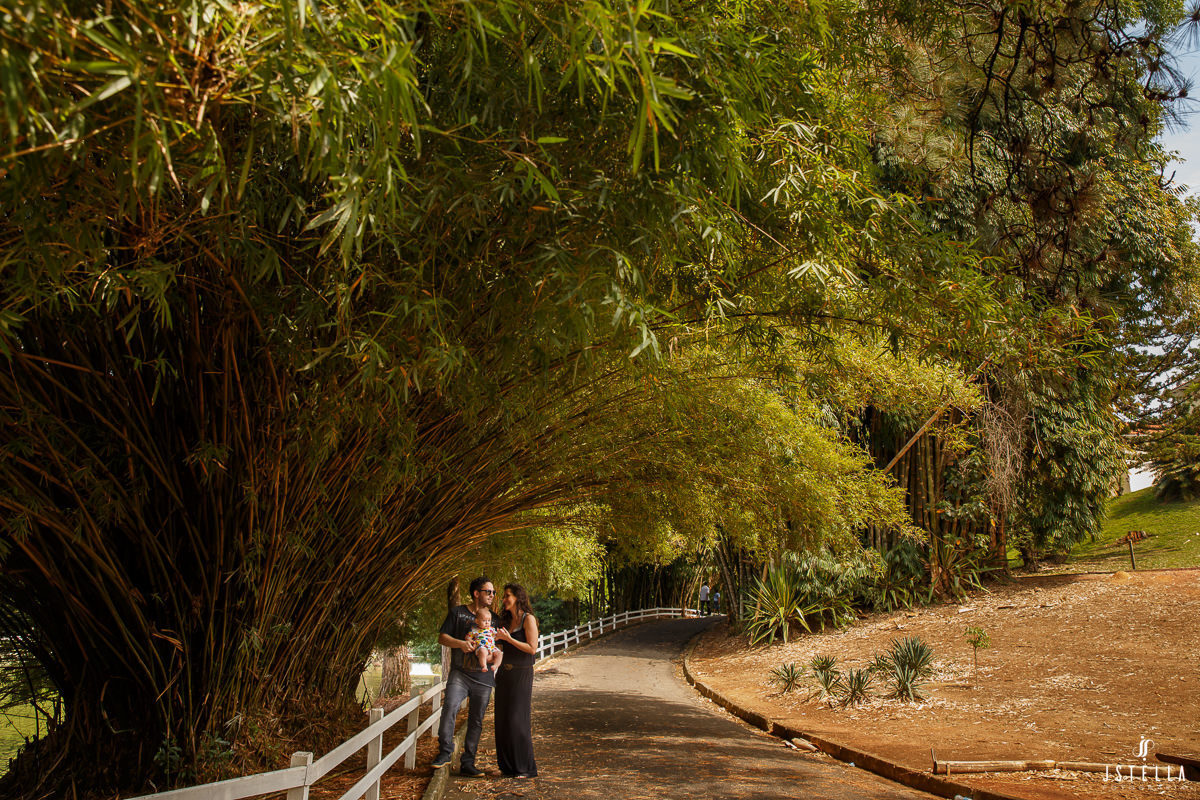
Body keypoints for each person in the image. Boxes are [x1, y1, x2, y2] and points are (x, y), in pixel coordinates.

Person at [432, 576, 497, 777]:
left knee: (476, 720)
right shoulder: (457, 613)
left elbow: (497, 643)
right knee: (450, 707)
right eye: (488, 592)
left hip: (483, 677)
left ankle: (468, 762)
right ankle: (444, 752)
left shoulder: (493, 617)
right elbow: (442, 637)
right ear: (477, 593)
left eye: (494, 592)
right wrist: (461, 643)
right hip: (460, 673)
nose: (492, 596)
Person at [492, 583, 540, 778]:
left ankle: (525, 768)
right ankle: (507, 766)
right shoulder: (505, 620)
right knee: (502, 720)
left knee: (516, 720)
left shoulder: (528, 619)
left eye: (507, 596)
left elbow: (532, 648)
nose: (504, 599)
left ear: (518, 598)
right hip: (505, 674)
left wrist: (509, 638)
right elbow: (500, 649)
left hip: (522, 673)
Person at [467, 606, 503, 673]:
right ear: (477, 621)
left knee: (499, 653)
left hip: (492, 647)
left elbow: (496, 637)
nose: (487, 623)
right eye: (484, 620)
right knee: (483, 652)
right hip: (481, 647)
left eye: (489, 620)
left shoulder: (491, 629)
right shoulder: (474, 630)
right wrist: (470, 641)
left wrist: (499, 634)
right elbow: (468, 637)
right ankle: (484, 666)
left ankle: (496, 665)